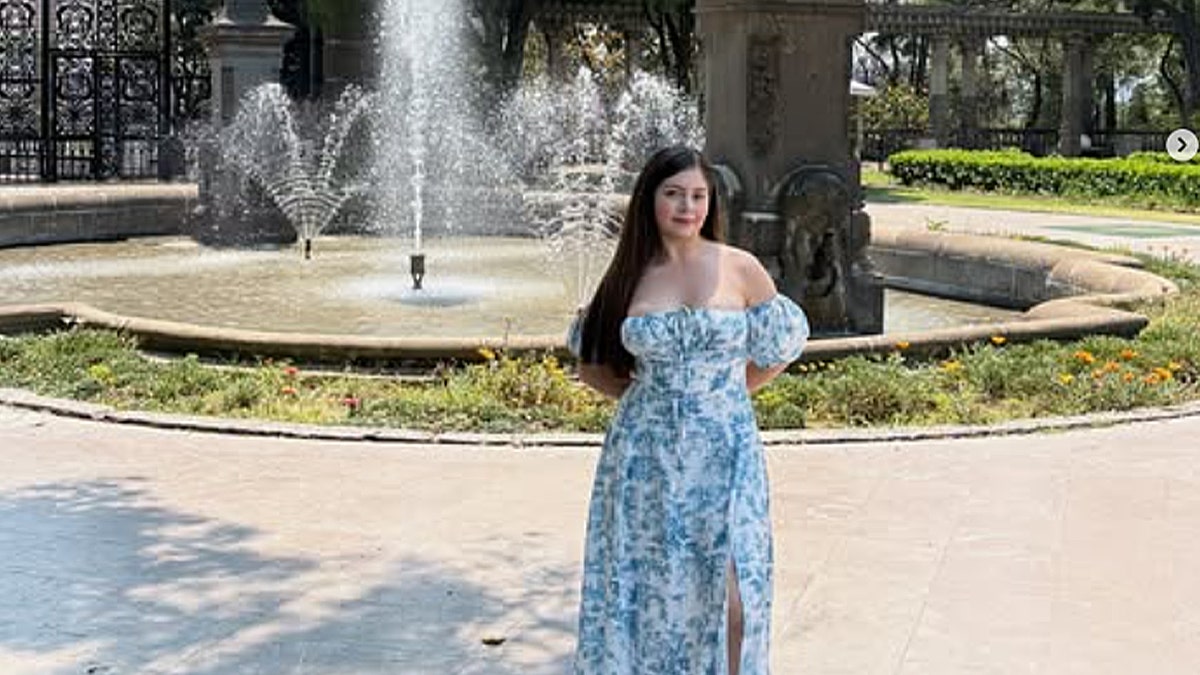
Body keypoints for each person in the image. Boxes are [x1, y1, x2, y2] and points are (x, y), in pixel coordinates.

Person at [566, 145, 810, 674]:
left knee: (736, 596)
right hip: (644, 460)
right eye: (673, 194)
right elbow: (592, 363)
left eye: (698, 195)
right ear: (650, 200)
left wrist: (725, 395)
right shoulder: (629, 276)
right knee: (646, 594)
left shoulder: (739, 268)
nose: (687, 207)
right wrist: (652, 404)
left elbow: (780, 348)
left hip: (726, 456)